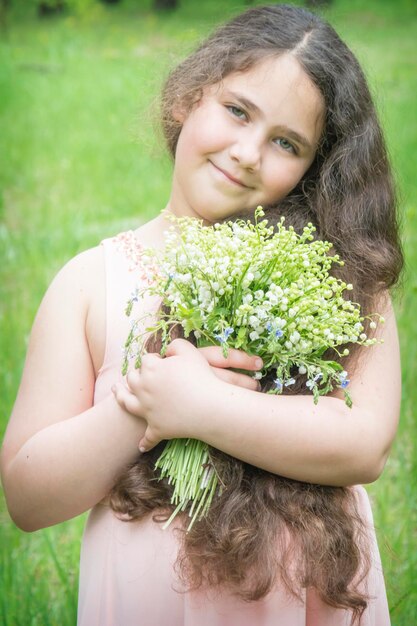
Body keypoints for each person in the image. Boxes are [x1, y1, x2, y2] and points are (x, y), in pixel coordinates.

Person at [0, 4, 403, 625]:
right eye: (237, 111)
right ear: (189, 96)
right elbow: (27, 497)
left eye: (286, 143)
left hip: (302, 595)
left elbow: (365, 444)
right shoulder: (91, 283)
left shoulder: (340, 276)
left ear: (315, 167)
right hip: (150, 599)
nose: (246, 152)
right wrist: (142, 405)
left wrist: (206, 410)